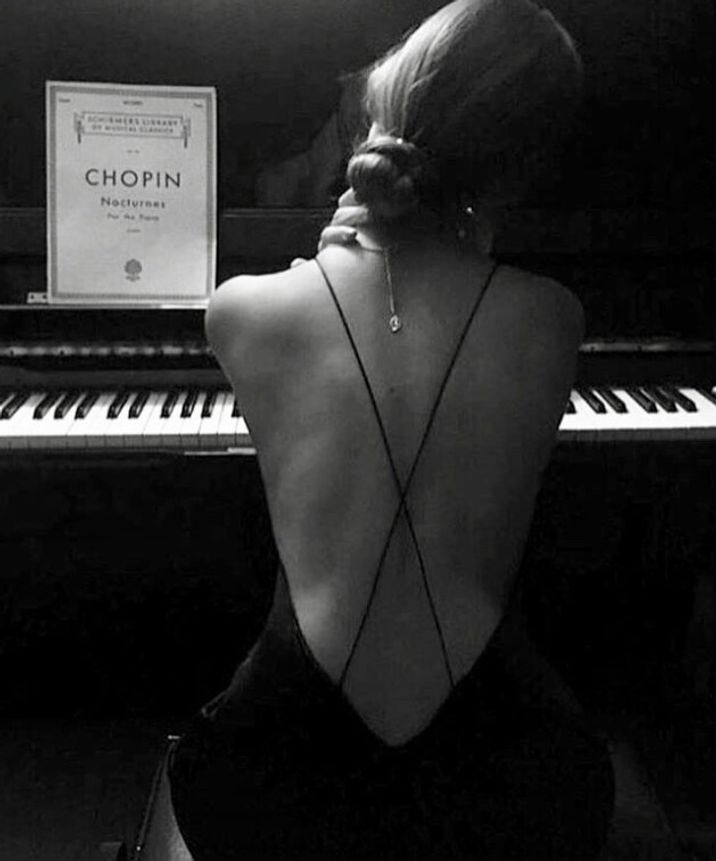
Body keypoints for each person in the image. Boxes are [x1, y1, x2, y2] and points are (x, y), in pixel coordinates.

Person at [168, 1, 614, 858]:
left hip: (262, 786)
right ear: (522, 167)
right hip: (517, 790)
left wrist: (324, 255)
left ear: (381, 110)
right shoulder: (553, 317)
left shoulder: (240, 309)